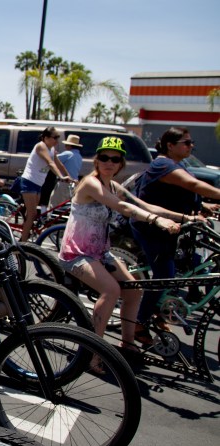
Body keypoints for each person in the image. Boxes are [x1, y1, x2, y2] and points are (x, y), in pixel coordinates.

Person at [58, 136, 181, 370]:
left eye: (115, 159)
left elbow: (142, 205)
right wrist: (157, 222)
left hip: (100, 253)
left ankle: (128, 344)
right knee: (111, 290)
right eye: (104, 157)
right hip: (77, 253)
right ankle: (92, 351)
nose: (109, 162)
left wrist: (185, 218)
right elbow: (123, 207)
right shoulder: (90, 183)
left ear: (121, 164)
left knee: (135, 290)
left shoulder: (113, 186)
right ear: (96, 160)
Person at [130, 126, 220, 344]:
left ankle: (157, 310)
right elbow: (193, 184)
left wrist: (204, 206)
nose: (191, 146)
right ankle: (139, 322)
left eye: (192, 142)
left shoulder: (178, 164)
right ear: (170, 145)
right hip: (153, 228)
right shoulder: (163, 163)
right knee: (164, 276)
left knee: (184, 266)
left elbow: (184, 192)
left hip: (173, 227)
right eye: (186, 143)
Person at [19, 126, 72, 241]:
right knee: (32, 214)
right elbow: (50, 163)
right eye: (55, 137)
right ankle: (22, 244)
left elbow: (59, 164)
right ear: (46, 137)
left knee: (31, 214)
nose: (57, 140)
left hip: (38, 184)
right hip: (29, 181)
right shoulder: (41, 146)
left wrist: (70, 177)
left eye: (58, 137)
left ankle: (24, 233)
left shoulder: (52, 149)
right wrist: (61, 176)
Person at [49, 134, 84, 208]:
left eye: (66, 145)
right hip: (73, 184)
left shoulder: (68, 154)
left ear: (70, 146)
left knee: (54, 205)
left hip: (64, 183)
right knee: (66, 207)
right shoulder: (79, 156)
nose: (65, 147)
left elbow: (52, 159)